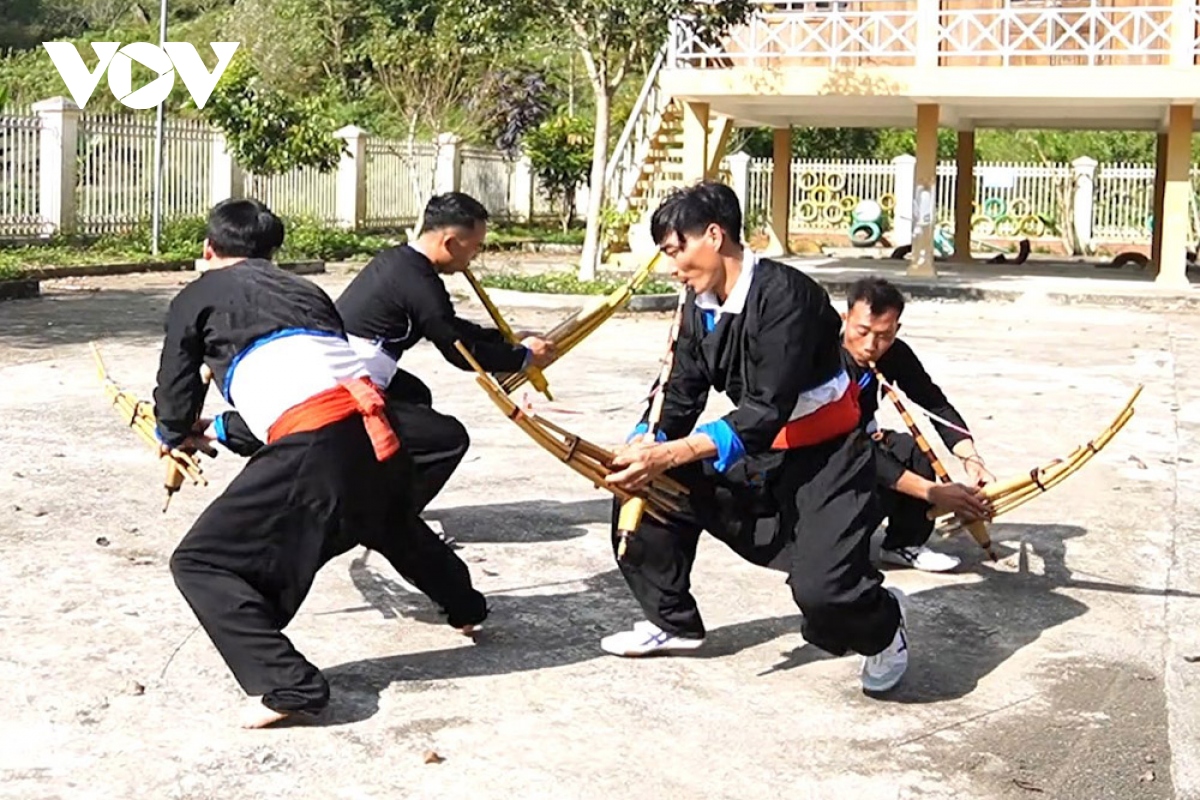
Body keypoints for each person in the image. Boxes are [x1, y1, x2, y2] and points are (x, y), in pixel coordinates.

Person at [154, 198, 486, 729]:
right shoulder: (306, 292)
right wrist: (201, 424)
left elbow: (175, 387)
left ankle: (290, 685)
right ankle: (467, 607)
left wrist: (171, 433)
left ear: (207, 249)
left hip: (315, 438)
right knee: (384, 518)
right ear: (271, 253)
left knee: (200, 562)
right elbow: (305, 372)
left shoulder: (196, 295)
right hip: (376, 425)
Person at [601, 181, 909, 695]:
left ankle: (884, 626)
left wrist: (672, 451)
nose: (673, 267)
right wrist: (646, 438)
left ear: (714, 236)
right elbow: (681, 388)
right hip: (760, 448)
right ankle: (673, 620)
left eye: (676, 251)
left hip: (827, 455)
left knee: (825, 594)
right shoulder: (698, 300)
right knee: (644, 488)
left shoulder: (786, 296)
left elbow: (767, 409)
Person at [336, 191, 555, 518]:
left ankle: (377, 485)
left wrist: (507, 340)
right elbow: (459, 352)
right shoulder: (419, 282)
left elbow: (447, 325)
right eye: (475, 246)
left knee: (415, 395)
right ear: (451, 243)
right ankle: (391, 521)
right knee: (449, 439)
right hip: (349, 386)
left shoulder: (401, 262)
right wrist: (523, 359)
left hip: (354, 369)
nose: (475, 256)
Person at [839, 277, 994, 573]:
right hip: (827, 451)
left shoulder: (895, 353)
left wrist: (971, 458)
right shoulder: (820, 359)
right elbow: (848, 446)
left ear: (896, 330)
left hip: (865, 441)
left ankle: (903, 543)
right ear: (845, 319)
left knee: (912, 450)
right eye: (862, 331)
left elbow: (933, 403)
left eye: (884, 335)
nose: (872, 345)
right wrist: (931, 492)